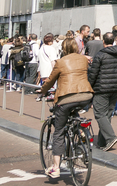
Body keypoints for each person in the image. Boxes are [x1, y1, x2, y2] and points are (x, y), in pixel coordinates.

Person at [39, 37, 93, 179]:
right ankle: (81, 133)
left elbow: (50, 80)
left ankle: (56, 168)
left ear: (63, 49)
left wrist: (42, 91)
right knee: (74, 111)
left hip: (66, 98)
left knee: (58, 132)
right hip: (86, 96)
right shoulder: (83, 59)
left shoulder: (60, 63)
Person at [88, 31, 117, 151]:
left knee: (100, 114)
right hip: (115, 87)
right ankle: (102, 141)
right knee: (108, 114)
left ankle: (110, 137)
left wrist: (89, 86)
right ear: (114, 41)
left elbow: (93, 73)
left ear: (103, 42)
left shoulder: (100, 55)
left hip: (102, 88)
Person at [36, 34, 61, 100]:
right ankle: (50, 95)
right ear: (50, 42)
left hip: (42, 68)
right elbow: (53, 60)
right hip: (49, 68)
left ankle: (41, 95)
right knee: (51, 83)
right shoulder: (51, 48)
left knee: (45, 83)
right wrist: (55, 69)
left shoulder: (41, 48)